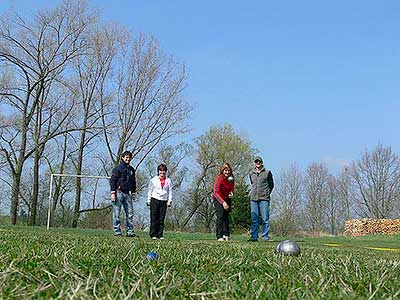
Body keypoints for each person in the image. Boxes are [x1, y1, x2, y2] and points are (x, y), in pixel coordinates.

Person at [110, 150, 137, 237]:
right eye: (126, 157)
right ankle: (117, 232)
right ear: (123, 158)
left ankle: (130, 232)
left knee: (130, 213)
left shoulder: (131, 169)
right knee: (116, 213)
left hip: (127, 193)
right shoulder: (118, 169)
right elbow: (113, 180)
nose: (128, 159)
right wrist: (113, 192)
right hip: (118, 192)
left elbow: (133, 181)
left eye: (129, 158)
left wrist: (133, 192)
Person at [248, 156, 274, 241]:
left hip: (264, 198)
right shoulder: (251, 173)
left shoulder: (267, 172)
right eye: (256, 162)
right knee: (254, 219)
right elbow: (252, 183)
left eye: (259, 162)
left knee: (265, 218)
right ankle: (254, 237)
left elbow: (271, 185)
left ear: (261, 162)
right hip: (253, 199)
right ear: (254, 163)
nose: (257, 163)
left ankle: (265, 236)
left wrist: (267, 193)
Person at [147, 164, 173, 240]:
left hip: (164, 200)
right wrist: (148, 200)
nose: (162, 172)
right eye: (161, 171)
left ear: (166, 172)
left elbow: (170, 191)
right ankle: (153, 234)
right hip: (154, 199)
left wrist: (169, 200)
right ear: (158, 171)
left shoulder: (168, 180)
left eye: (164, 171)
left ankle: (160, 234)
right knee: (154, 217)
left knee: (161, 218)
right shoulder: (153, 180)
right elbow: (150, 190)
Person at [213, 163, 235, 241]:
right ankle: (219, 235)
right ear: (222, 171)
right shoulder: (219, 178)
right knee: (220, 216)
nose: (227, 172)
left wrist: (231, 192)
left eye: (229, 170)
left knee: (226, 217)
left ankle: (226, 234)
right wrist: (223, 202)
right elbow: (216, 192)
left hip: (227, 198)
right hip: (218, 198)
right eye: (225, 170)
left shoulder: (231, 178)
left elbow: (232, 188)